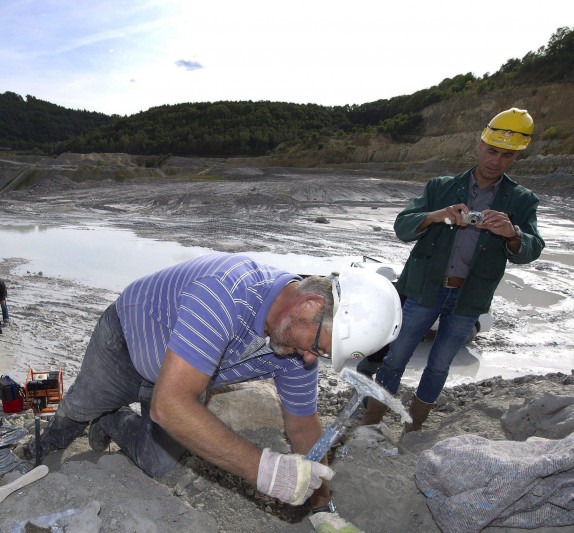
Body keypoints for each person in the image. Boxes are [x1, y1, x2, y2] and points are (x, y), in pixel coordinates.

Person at [29, 253, 401, 532]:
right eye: (317, 346)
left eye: (320, 355)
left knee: (158, 464)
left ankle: (112, 420)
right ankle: (42, 451)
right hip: (127, 344)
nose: (310, 358)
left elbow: (303, 427)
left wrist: (323, 510)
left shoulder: (295, 347)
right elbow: (171, 405)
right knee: (79, 406)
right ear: (311, 305)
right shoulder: (227, 291)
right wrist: (265, 470)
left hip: (184, 377)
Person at [363, 108, 545, 432]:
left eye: (507, 155)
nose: (497, 160)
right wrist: (434, 216)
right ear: (479, 147)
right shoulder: (441, 187)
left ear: (515, 158)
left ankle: (413, 428)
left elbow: (532, 247)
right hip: (425, 290)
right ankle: (372, 421)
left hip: (469, 298)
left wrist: (513, 234)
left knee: (438, 367)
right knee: (395, 358)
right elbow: (402, 226)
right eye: (492, 151)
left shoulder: (522, 200)